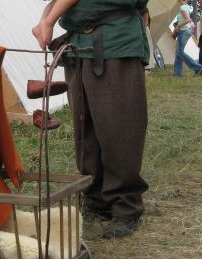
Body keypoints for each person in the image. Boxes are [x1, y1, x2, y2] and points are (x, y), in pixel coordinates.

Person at [33, 0, 150, 238]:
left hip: (115, 39)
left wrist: (49, 20)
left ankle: (124, 205)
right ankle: (94, 197)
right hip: (80, 44)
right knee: (85, 127)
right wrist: (45, 17)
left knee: (118, 127)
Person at [174, 0, 202, 77]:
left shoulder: (183, 7)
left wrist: (178, 25)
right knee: (178, 52)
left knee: (179, 52)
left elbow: (188, 19)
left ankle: (197, 67)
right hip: (185, 30)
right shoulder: (186, 6)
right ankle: (177, 73)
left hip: (184, 31)